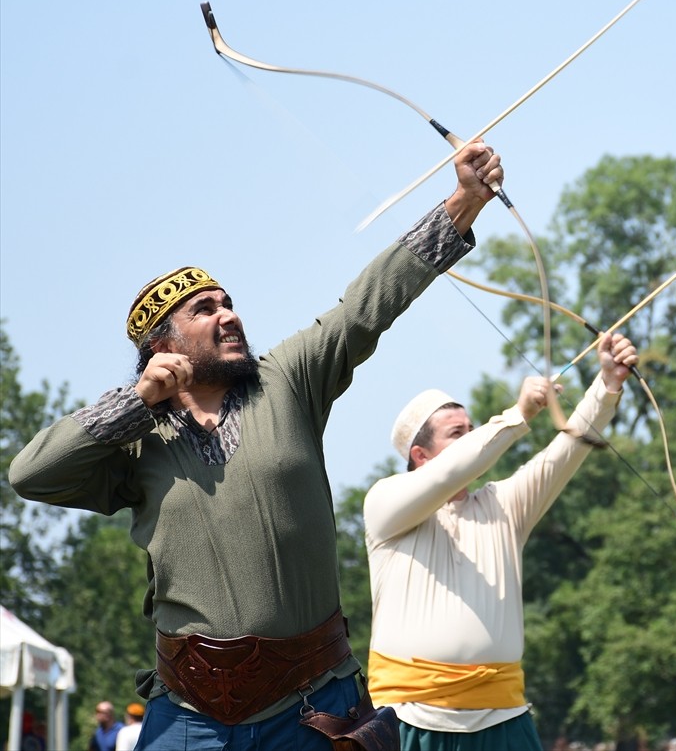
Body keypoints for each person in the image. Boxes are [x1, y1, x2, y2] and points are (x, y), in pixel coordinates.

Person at [9, 141, 504, 749]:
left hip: (314, 704)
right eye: (204, 309)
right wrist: (135, 404)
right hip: (186, 715)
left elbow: (363, 310)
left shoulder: (288, 379)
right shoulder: (136, 443)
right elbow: (30, 474)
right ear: (164, 344)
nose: (229, 315)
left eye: (230, 303)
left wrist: (464, 202)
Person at [363, 330, 639, 749]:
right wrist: (517, 415)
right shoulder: (385, 503)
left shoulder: (501, 505)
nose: (474, 440)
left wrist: (608, 383)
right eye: (458, 434)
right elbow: (448, 473)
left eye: (473, 430)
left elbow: (564, 453)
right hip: (408, 719)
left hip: (504, 720)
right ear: (420, 456)